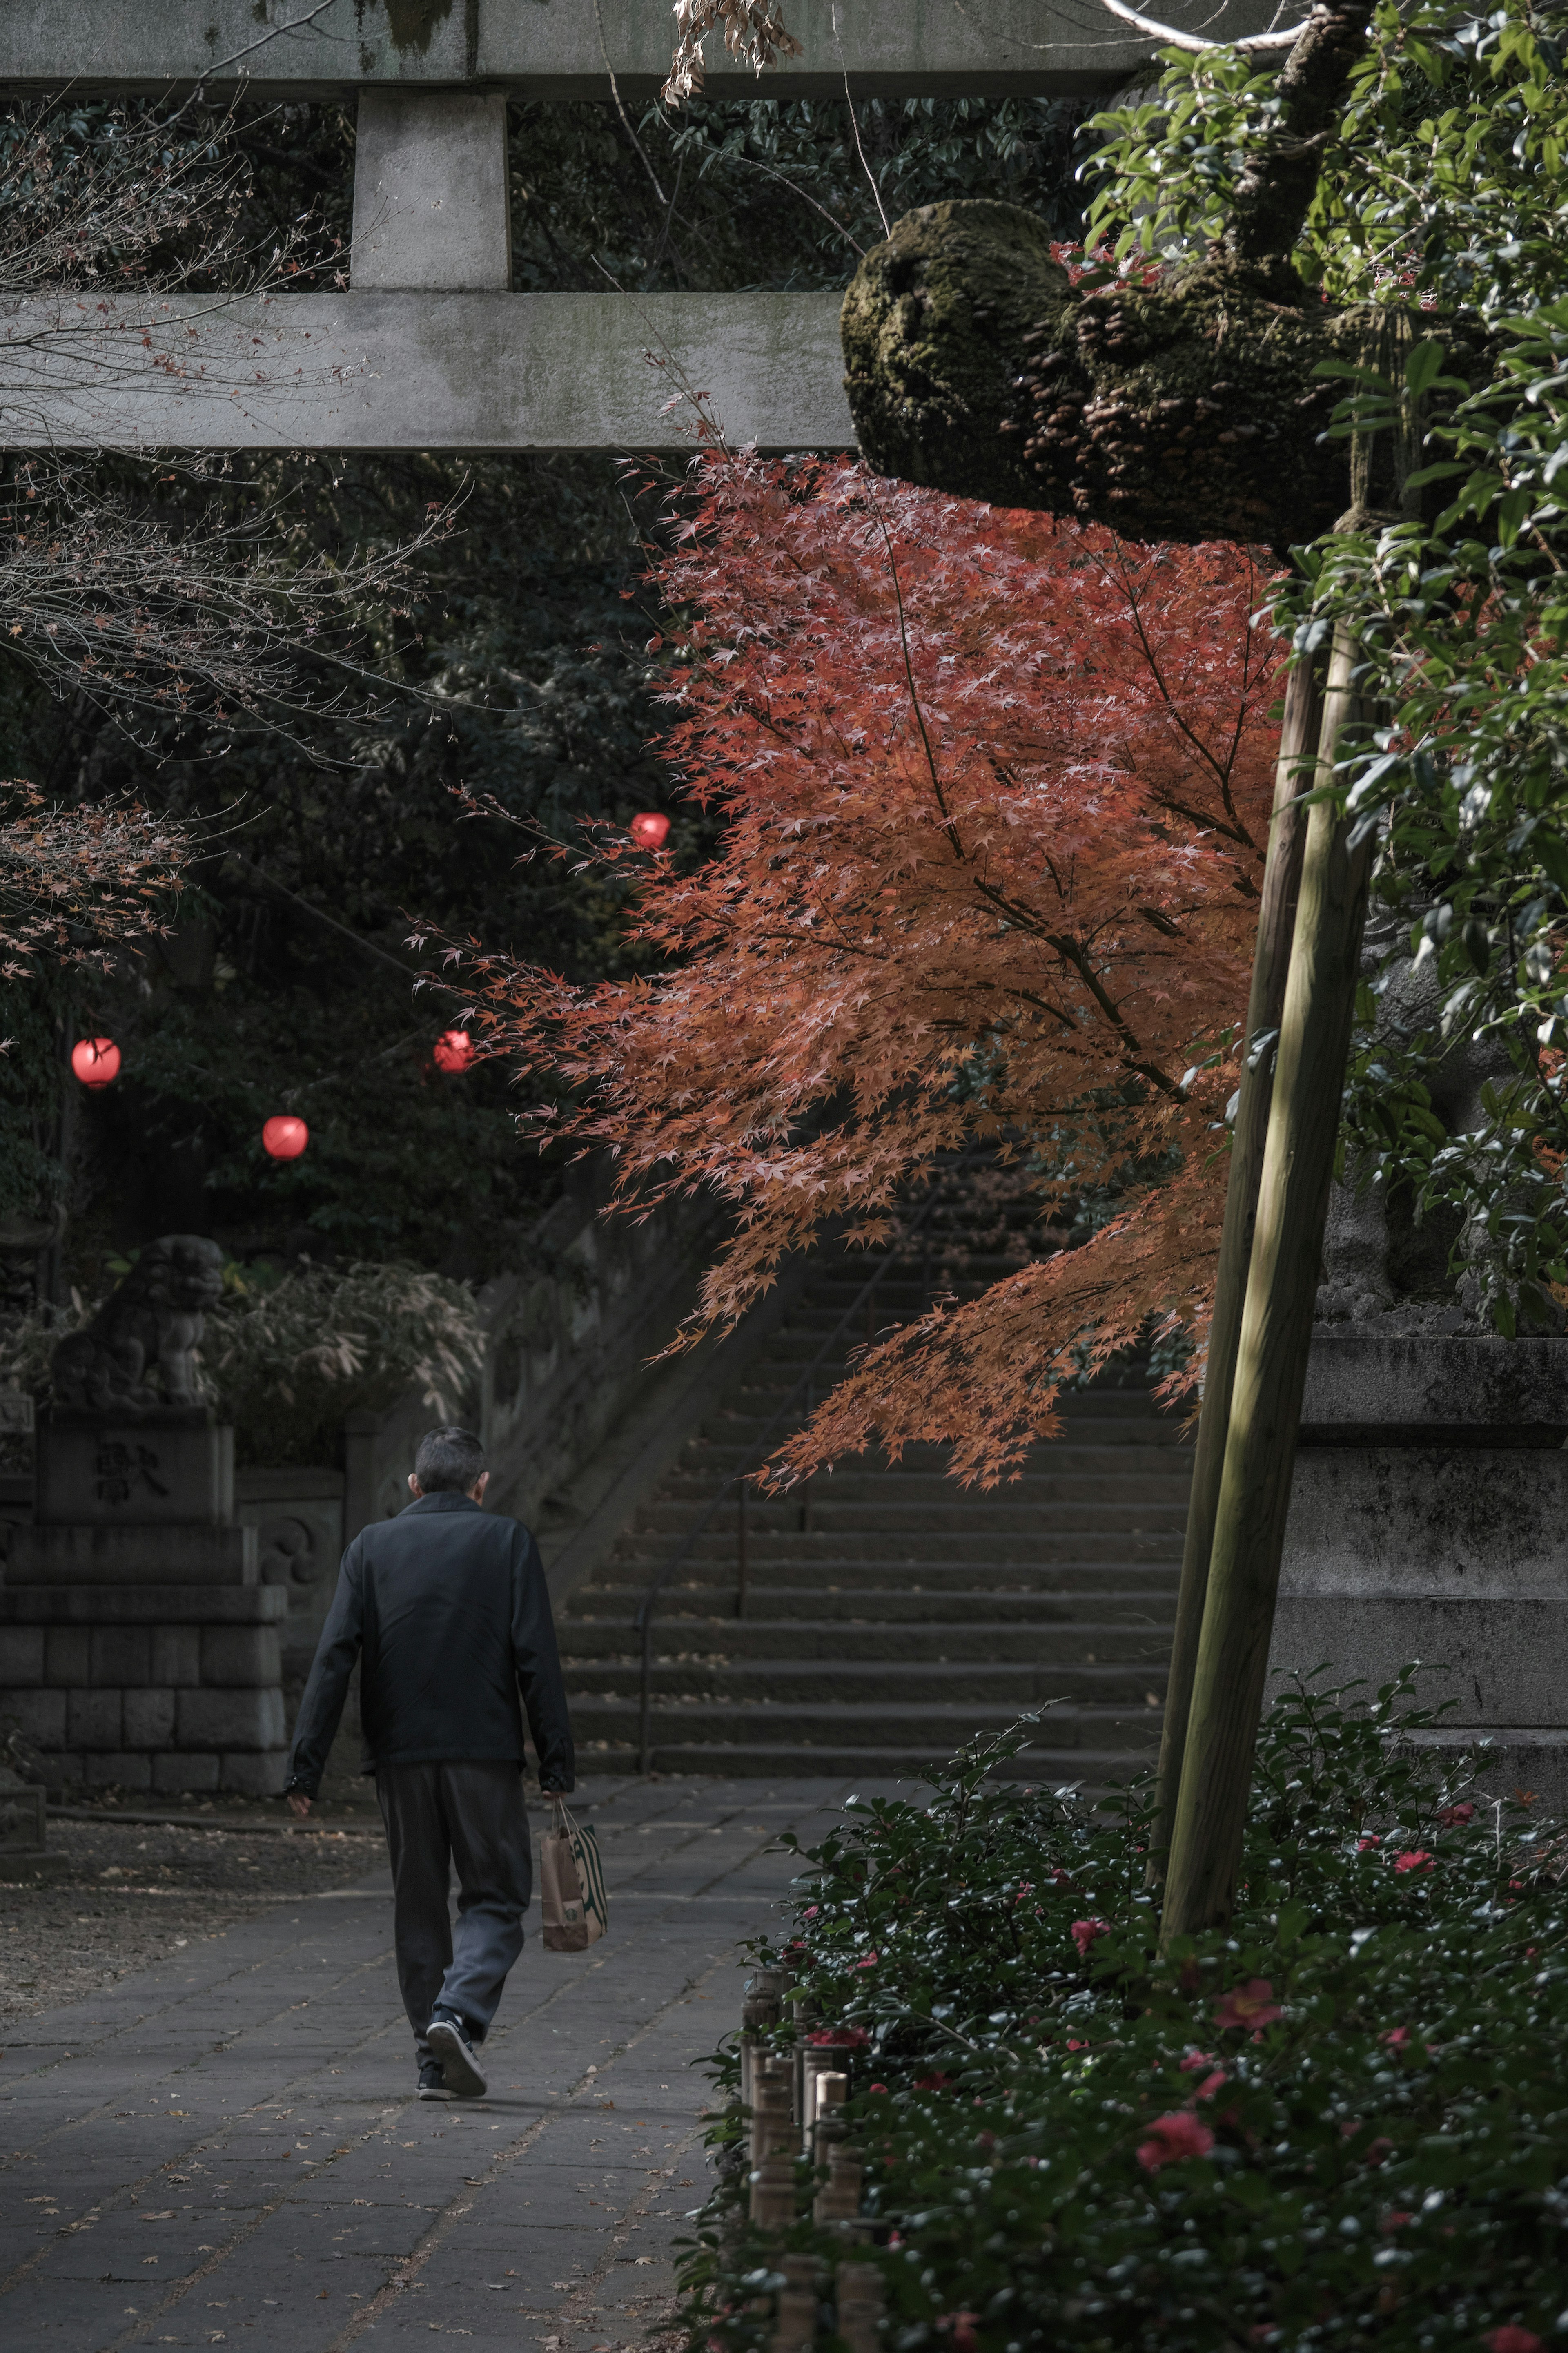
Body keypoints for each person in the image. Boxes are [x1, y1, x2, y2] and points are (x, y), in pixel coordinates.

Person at [283, 1424, 574, 2103]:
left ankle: (431, 2059)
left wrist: (306, 1767)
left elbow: (333, 1659)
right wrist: (556, 1758)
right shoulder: (507, 1541)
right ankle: (457, 2013)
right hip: (484, 1753)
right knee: (497, 1896)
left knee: (419, 1905)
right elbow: (537, 1657)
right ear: (482, 1484)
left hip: (401, 1756)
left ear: (413, 1485)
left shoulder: (371, 1547)